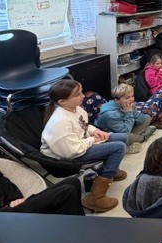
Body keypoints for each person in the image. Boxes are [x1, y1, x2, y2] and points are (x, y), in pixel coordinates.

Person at [40, 79, 127, 213]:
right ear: (62, 101)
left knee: (122, 137)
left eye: (81, 91)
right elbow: (72, 151)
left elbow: (83, 125)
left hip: (78, 143)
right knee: (119, 147)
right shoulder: (60, 122)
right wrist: (92, 139)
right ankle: (95, 197)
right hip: (64, 158)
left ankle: (111, 169)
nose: (82, 96)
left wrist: (95, 131)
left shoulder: (75, 108)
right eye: (77, 94)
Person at [94, 83, 157, 154]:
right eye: (127, 98)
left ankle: (132, 141)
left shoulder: (128, 104)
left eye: (132, 96)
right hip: (110, 135)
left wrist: (132, 111)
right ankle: (143, 137)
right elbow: (125, 131)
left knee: (147, 118)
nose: (131, 100)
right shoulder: (110, 114)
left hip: (125, 127)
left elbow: (140, 120)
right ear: (117, 100)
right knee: (127, 136)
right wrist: (129, 113)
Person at [0, 170, 84, 215]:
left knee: (73, 182)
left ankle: (77, 224)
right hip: (4, 216)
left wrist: (14, 198)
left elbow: (1, 179)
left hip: (9, 206)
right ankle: (77, 235)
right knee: (67, 191)